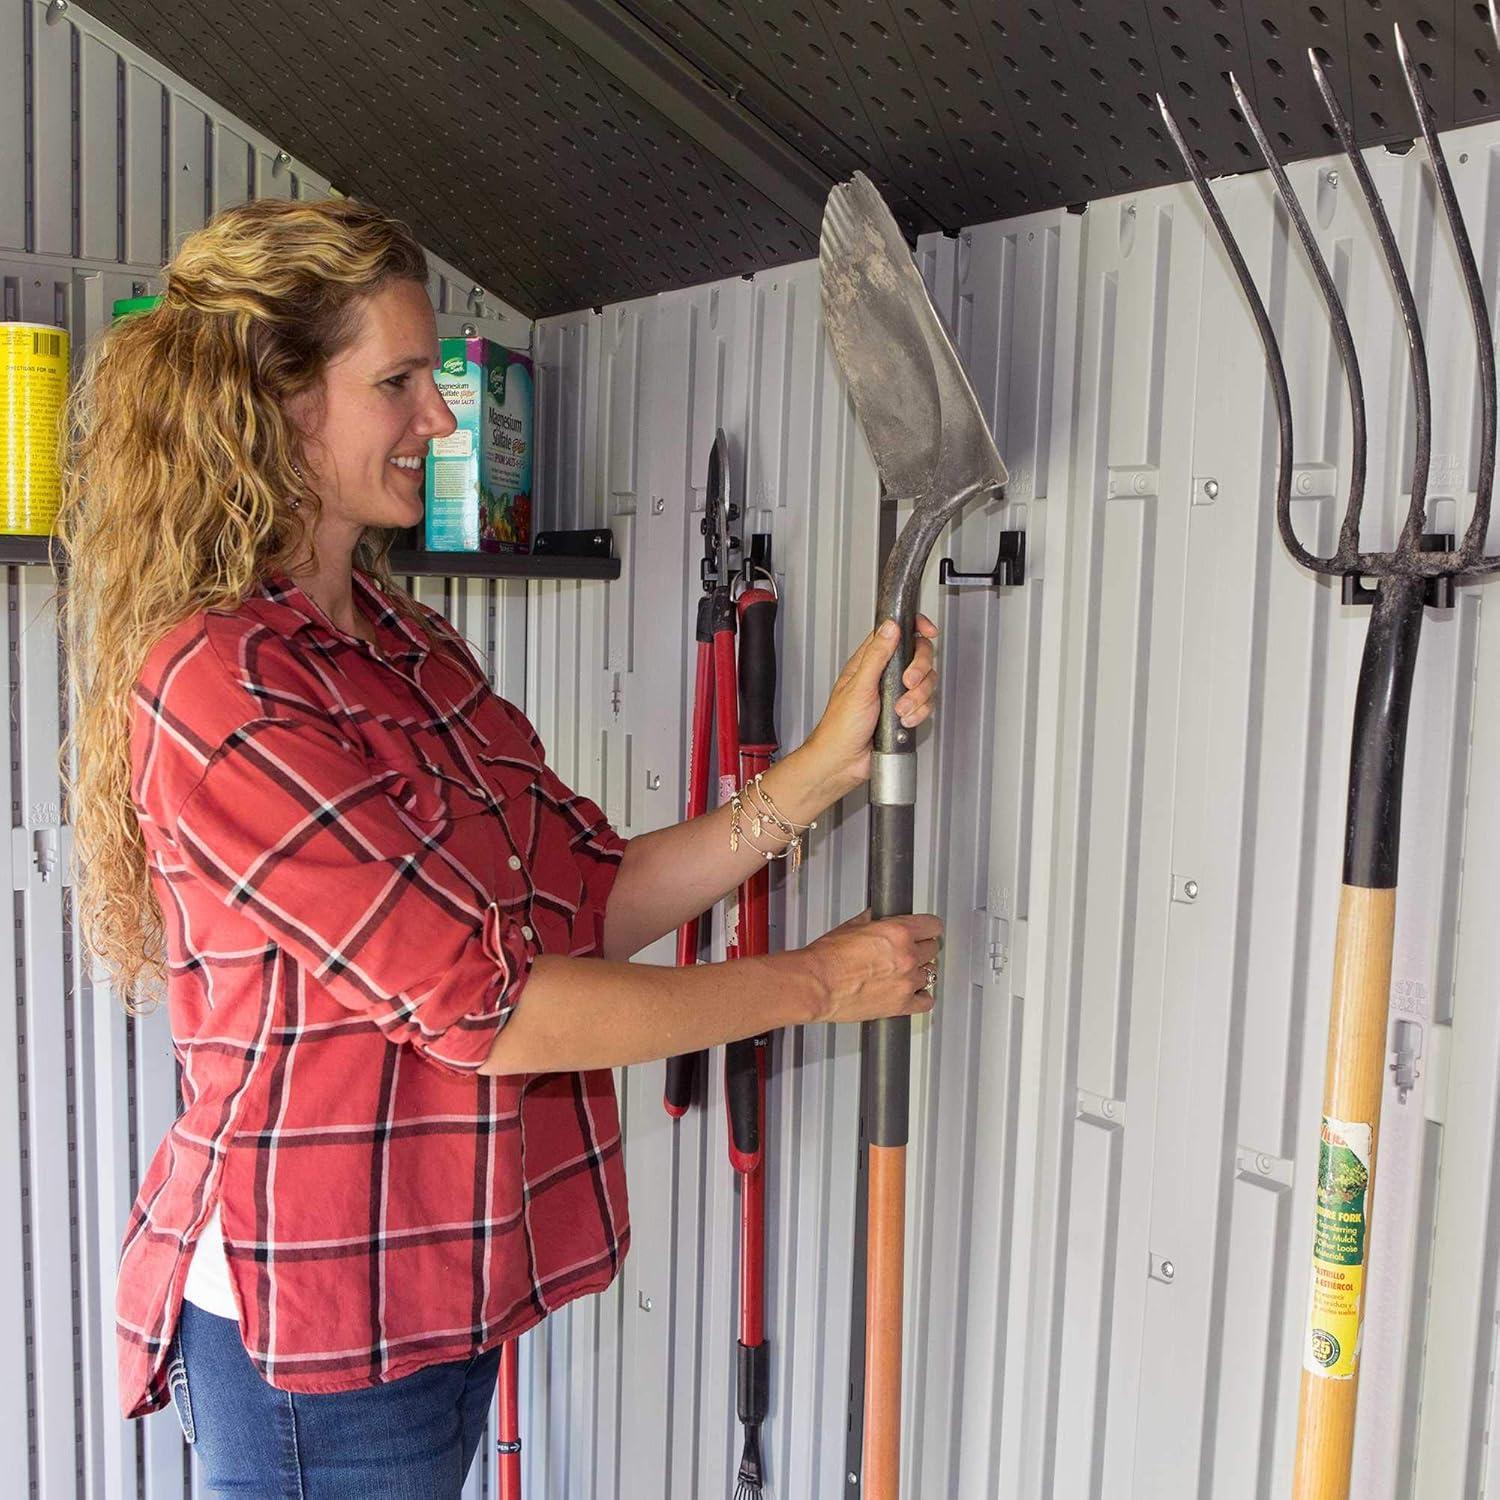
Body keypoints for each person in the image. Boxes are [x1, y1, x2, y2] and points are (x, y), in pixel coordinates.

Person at [57, 196, 943, 1498]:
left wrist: (817, 768)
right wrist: (819, 985)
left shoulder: (408, 647)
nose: (439, 418)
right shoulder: (222, 686)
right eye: (400, 381)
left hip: (436, 1292)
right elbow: (494, 1010)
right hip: (320, 1332)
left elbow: (583, 901)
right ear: (277, 403)